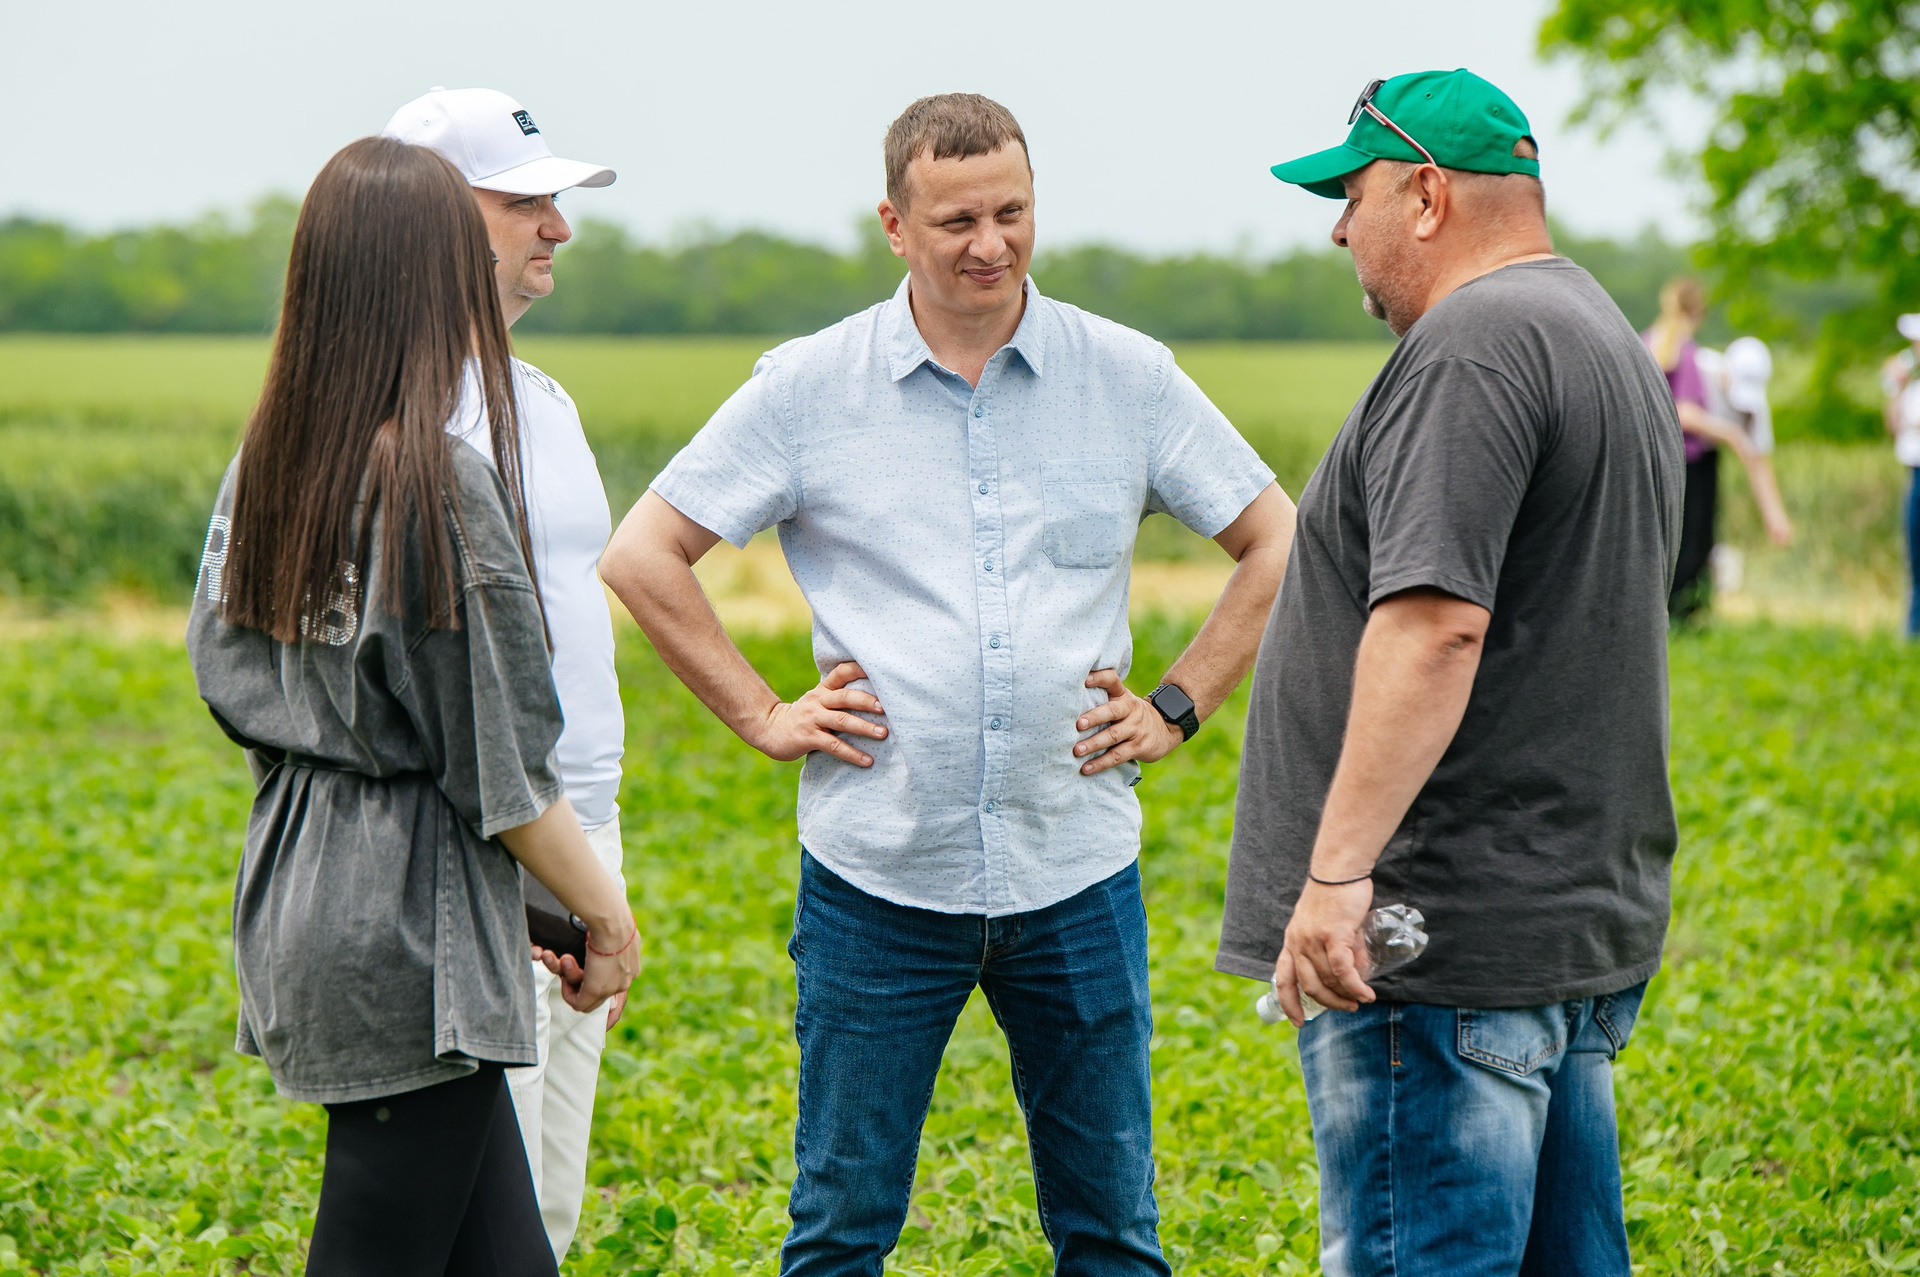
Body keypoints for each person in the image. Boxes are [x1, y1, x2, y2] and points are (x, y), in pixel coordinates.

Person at [599, 93, 1292, 1276]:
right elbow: (642, 553)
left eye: (1012, 213)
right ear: (894, 224)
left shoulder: (1127, 377)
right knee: (840, 1225)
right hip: (878, 872)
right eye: (957, 220)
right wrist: (762, 713)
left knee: (1114, 1230)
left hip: (1075, 866)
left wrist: (1178, 705)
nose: (991, 244)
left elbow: (1279, 540)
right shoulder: (809, 387)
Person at [1215, 70, 1682, 1276]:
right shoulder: (1597, 331)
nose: (1338, 230)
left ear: (1425, 194)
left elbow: (1435, 628)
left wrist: (1335, 877)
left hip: (1435, 941)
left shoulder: (1471, 349)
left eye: (1352, 194)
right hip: (1553, 917)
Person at [184, 136, 639, 1276]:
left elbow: (229, 675)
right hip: (413, 935)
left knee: (506, 1257)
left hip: (302, 879)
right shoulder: (436, 480)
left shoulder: (270, 462)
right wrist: (605, 918)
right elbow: (503, 768)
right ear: (435, 275)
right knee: (374, 1249)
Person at [383, 86, 629, 1263]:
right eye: (525, 202)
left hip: (583, 829)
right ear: (433, 215)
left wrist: (594, 866)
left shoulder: (544, 399)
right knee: (487, 1221)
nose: (557, 227)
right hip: (481, 851)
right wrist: (546, 873)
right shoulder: (398, 418)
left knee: (552, 1208)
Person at [1643, 278, 1789, 622]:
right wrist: (1731, 434)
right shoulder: (1696, 362)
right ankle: (1675, 615)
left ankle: (1691, 612)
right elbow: (1683, 412)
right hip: (1675, 461)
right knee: (1678, 545)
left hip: (1694, 461)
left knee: (1699, 542)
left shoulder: (1753, 408)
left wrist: (1775, 515)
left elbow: (1758, 459)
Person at [1882, 313, 1920, 638]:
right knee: (1915, 554)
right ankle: (1913, 628)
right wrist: (1895, 388)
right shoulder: (1913, 389)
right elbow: (1895, 426)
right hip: (1914, 473)